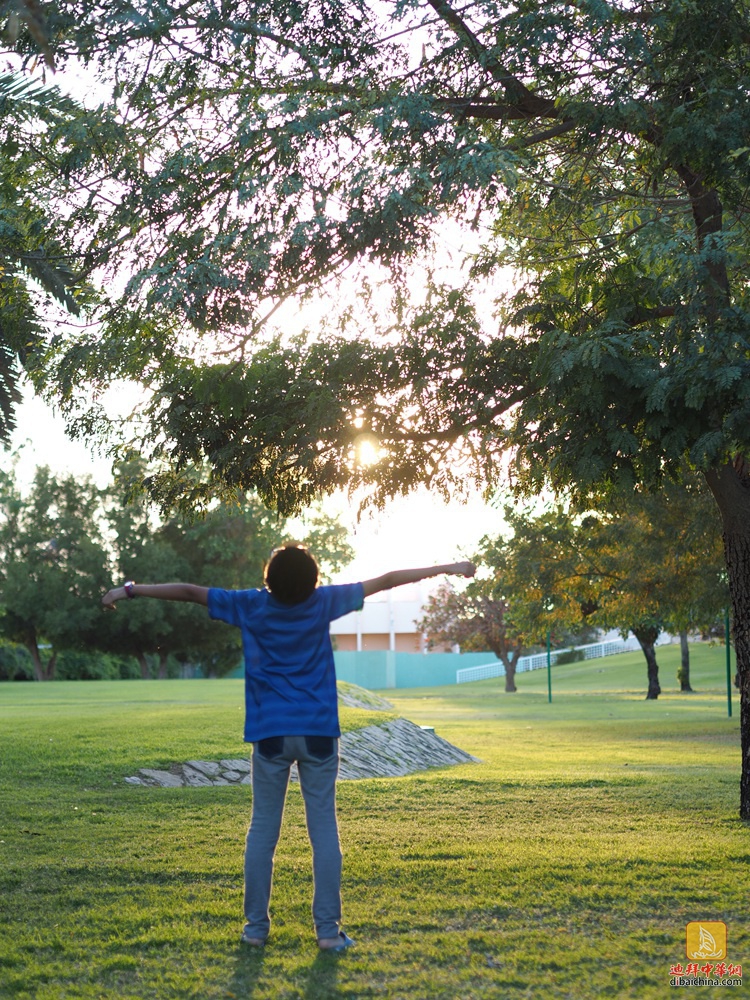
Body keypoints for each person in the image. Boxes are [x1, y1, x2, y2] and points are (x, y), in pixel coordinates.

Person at [102, 545, 475, 952]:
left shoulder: (250, 605)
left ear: (269, 578)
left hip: (270, 735)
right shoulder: (323, 602)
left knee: (263, 829)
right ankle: (328, 934)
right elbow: (386, 580)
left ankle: (256, 930)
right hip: (317, 733)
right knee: (324, 831)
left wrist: (130, 590)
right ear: (313, 579)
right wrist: (447, 567)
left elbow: (191, 592)